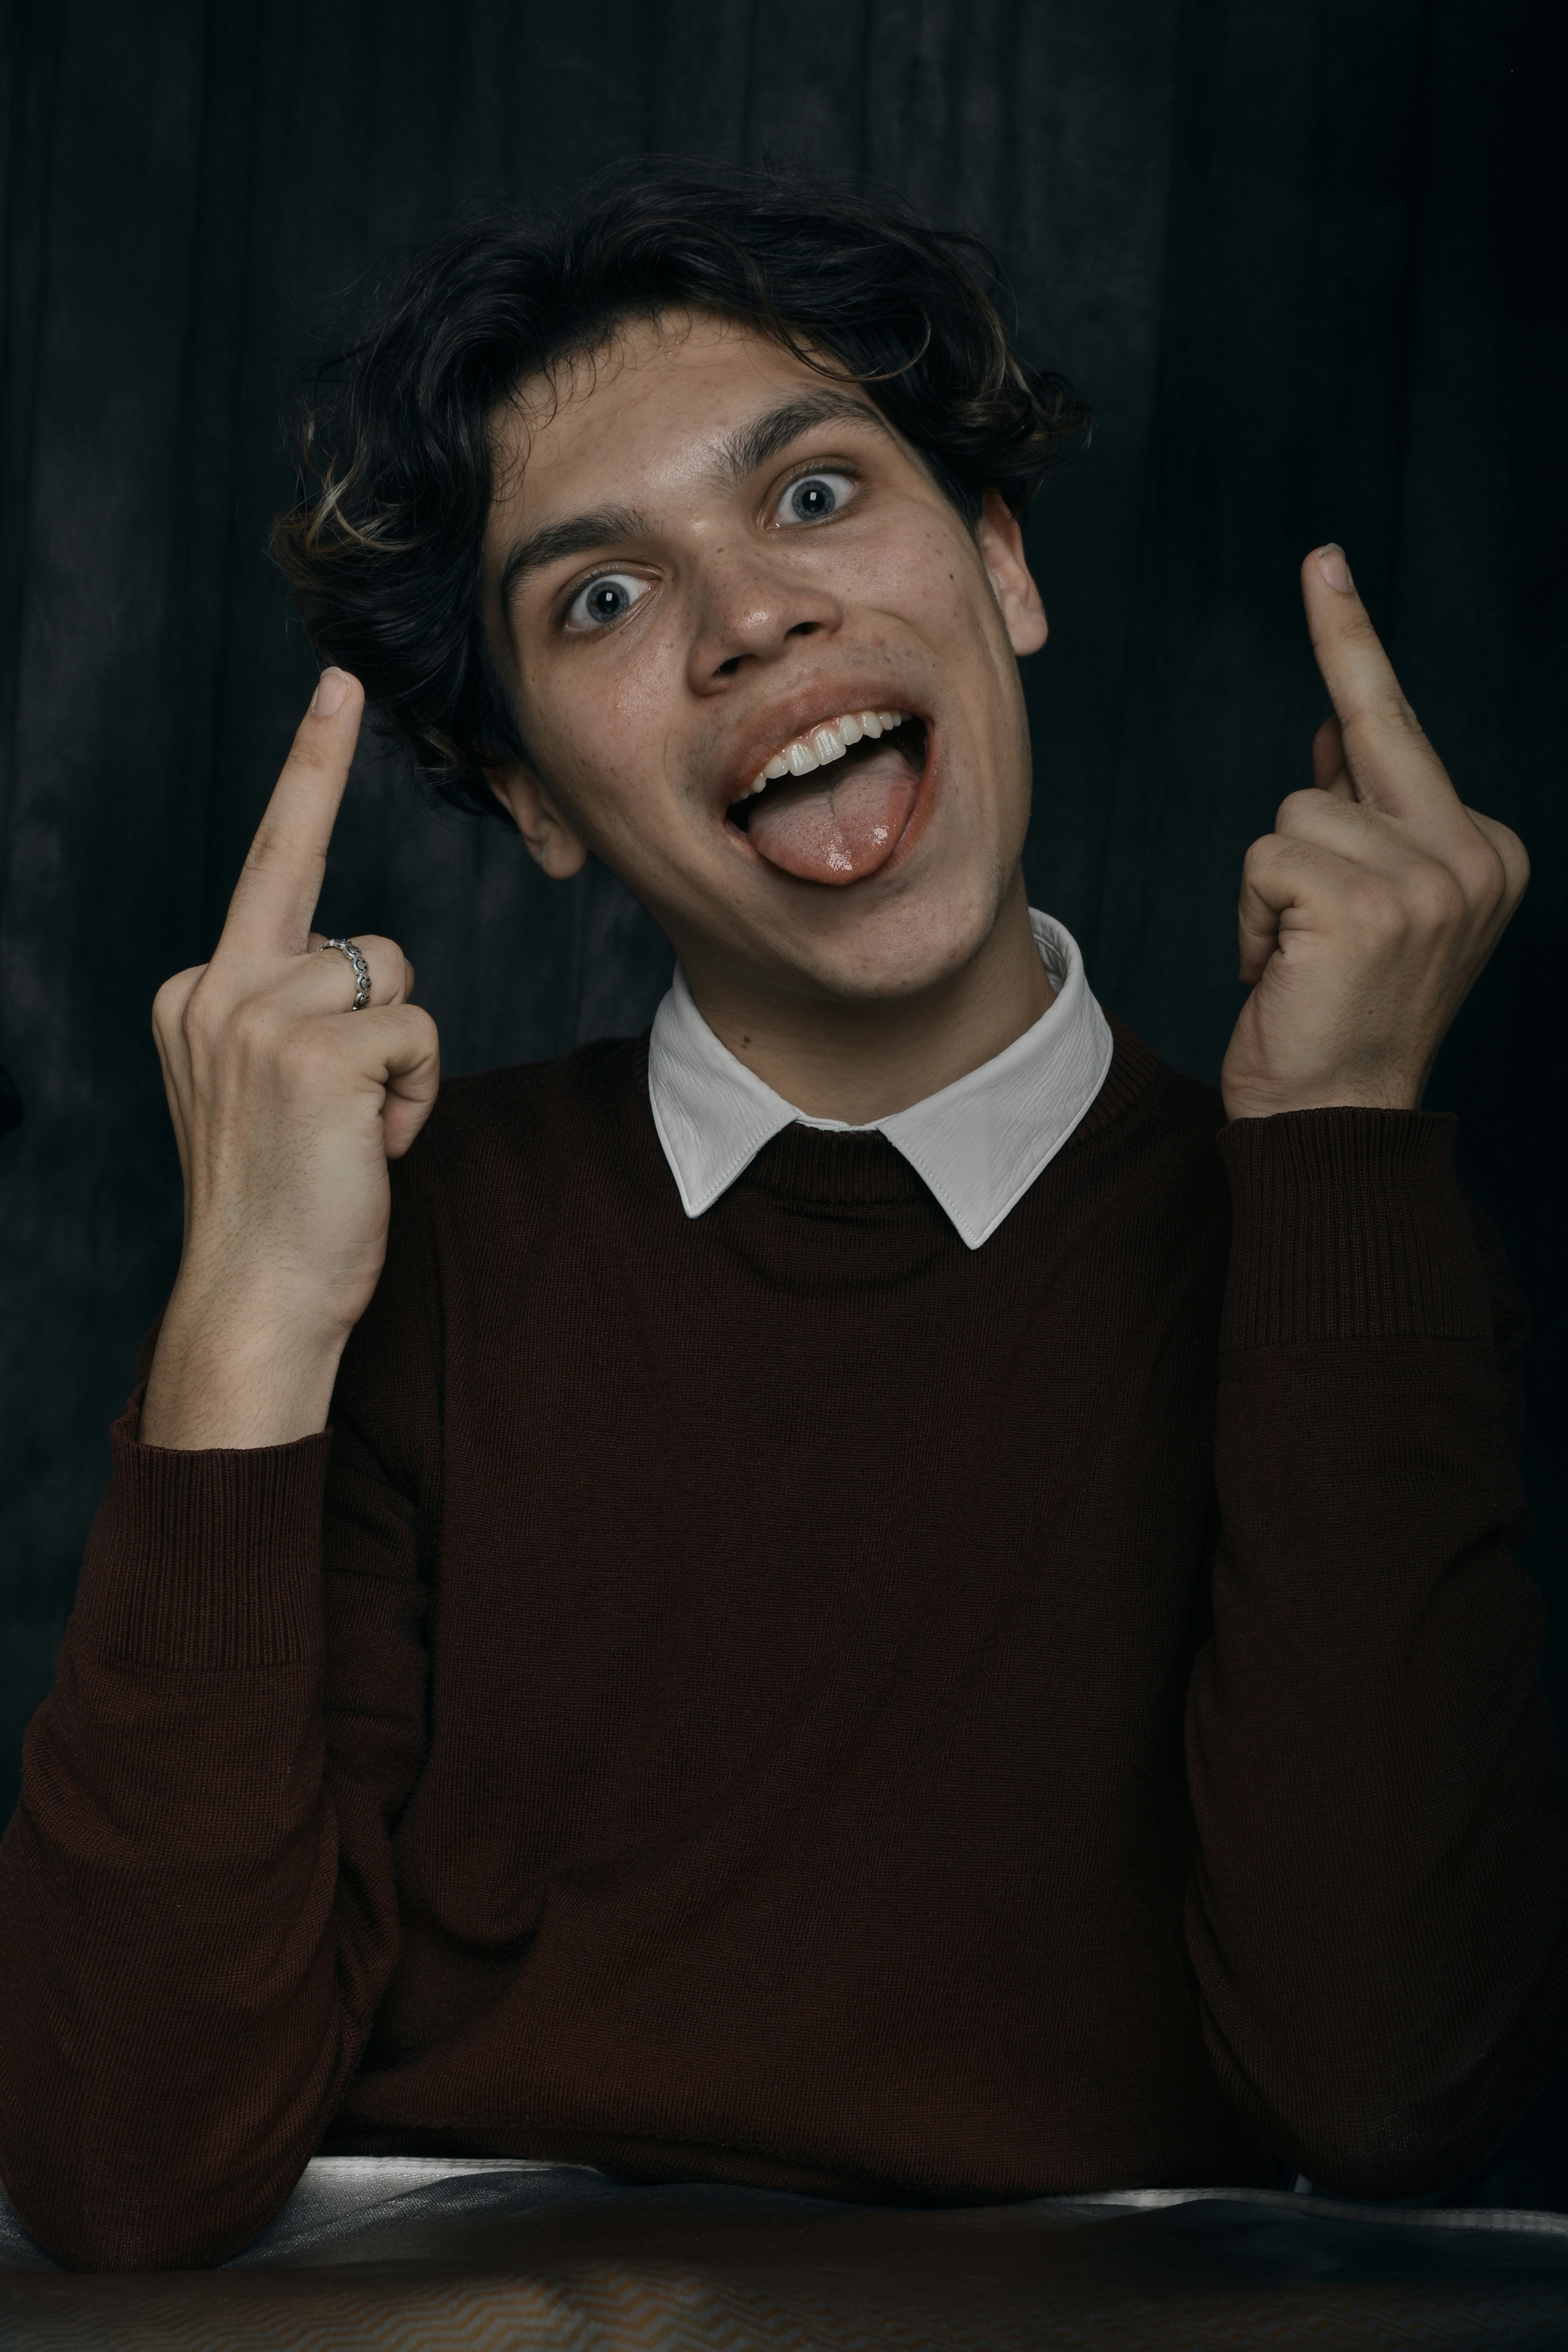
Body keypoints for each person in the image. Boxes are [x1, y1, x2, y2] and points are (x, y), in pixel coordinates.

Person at [1, 158, 1563, 2274]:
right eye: (604, 599)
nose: (752, 618)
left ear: (1000, 563)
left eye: (815, 497)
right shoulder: (409, 1253)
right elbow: (117, 2172)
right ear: (535, 799)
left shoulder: (1322, 1238)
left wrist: (1353, 1147)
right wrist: (249, 1317)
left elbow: (1391, 2099)